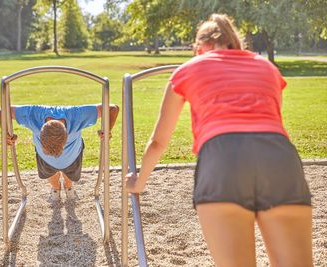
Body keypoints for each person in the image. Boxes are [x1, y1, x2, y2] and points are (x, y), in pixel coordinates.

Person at [125, 14, 313, 267]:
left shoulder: (189, 69)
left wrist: (138, 182)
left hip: (223, 160)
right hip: (279, 158)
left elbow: (159, 141)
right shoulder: (267, 68)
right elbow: (270, 121)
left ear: (200, 46)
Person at [0, 103, 119, 202]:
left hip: (72, 156)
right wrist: (5, 133)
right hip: (45, 159)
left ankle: (68, 187)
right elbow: (1, 111)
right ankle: (55, 188)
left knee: (69, 174)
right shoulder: (32, 114)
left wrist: (107, 130)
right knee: (50, 173)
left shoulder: (77, 115)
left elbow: (112, 108)